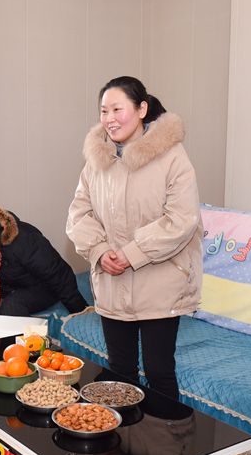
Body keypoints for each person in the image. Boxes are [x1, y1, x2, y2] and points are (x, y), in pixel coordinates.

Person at [66, 76, 202, 400]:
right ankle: (125, 434)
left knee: (159, 372)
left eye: (118, 109)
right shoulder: (96, 160)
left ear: (141, 109)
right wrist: (100, 251)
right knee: (119, 371)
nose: (110, 118)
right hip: (112, 284)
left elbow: (181, 219)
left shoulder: (172, 156)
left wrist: (132, 253)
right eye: (104, 111)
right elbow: (78, 214)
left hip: (161, 284)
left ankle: (167, 434)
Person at [0, 202, 87, 381]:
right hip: (11, 286)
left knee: (11, 306)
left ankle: (12, 362)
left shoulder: (23, 240)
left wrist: (79, 311)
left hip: (42, 287)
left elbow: (58, 273)